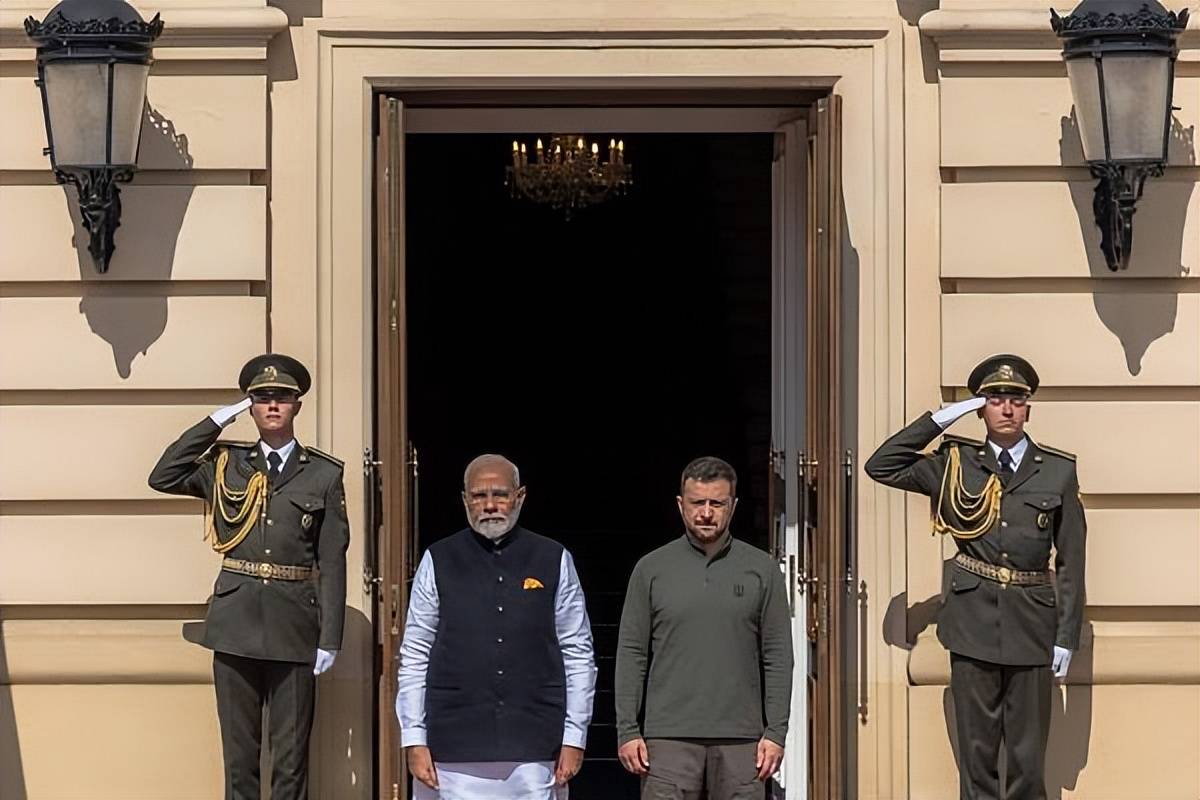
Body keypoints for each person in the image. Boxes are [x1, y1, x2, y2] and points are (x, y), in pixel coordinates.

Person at [864, 354, 1086, 800]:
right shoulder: (954, 463)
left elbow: (1072, 561)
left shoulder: (1057, 471)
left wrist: (1067, 635)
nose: (1006, 408)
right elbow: (881, 464)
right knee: (977, 758)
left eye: (1016, 399)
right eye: (995, 399)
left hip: (1032, 627)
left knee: (1027, 760)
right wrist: (942, 418)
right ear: (981, 408)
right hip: (971, 626)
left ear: (1028, 408)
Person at [148, 353, 349, 800]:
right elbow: (162, 475)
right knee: (240, 759)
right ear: (251, 407)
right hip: (235, 625)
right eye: (261, 398)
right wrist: (216, 421)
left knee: (291, 759)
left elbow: (333, 560)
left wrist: (330, 637)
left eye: (282, 398)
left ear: (297, 405)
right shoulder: (226, 463)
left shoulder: (323, 473)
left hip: (294, 626)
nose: (272, 406)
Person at [396, 454, 596, 800]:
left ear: (520, 497)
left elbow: (577, 653)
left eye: (500, 495)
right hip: (452, 750)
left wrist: (574, 737)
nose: (489, 505)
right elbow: (415, 653)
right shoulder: (438, 560)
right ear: (464, 500)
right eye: (479, 496)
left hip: (534, 749)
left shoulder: (553, 558)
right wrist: (414, 738)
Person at [614, 456, 793, 800]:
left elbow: (778, 655)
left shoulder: (762, 569)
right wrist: (627, 730)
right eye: (698, 503)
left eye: (717, 503)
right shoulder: (651, 569)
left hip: (743, 742)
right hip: (667, 741)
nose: (707, 512)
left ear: (733, 505)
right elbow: (632, 653)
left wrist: (775, 732)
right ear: (681, 505)